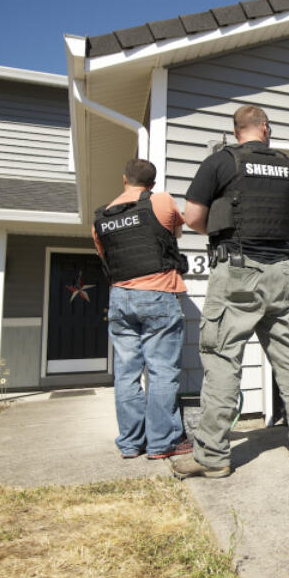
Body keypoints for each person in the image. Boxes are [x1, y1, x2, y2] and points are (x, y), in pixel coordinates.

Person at [172, 105, 289, 479]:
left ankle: (213, 456)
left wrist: (222, 233)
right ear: (265, 129)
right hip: (282, 273)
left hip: (237, 270)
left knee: (222, 357)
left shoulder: (220, 162)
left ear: (237, 131)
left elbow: (191, 216)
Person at [92, 158, 191, 461]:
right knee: (161, 372)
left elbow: (104, 254)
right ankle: (162, 443)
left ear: (124, 179)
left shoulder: (101, 217)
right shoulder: (161, 201)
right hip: (157, 293)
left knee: (126, 374)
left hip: (120, 297)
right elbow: (175, 235)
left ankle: (131, 443)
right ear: (153, 182)